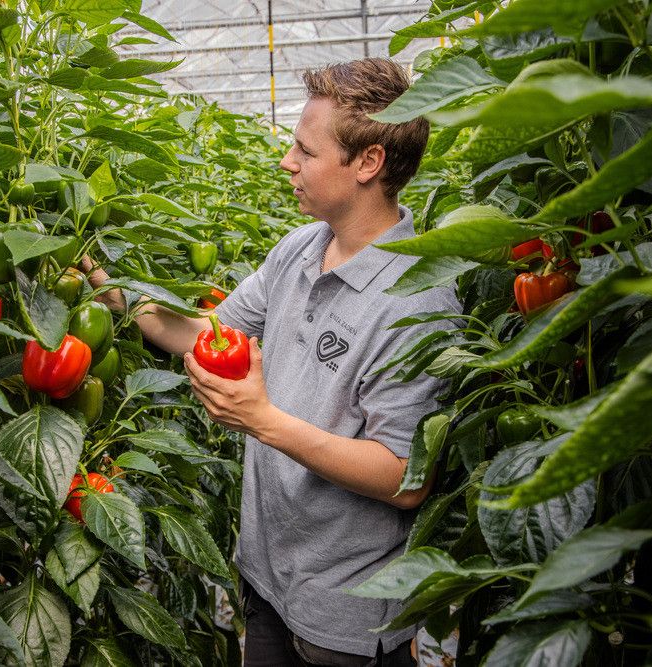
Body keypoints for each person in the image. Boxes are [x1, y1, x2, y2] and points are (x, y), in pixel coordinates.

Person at [83, 58, 460, 666]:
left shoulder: (417, 301)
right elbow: (208, 331)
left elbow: (405, 478)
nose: (288, 162)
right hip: (265, 580)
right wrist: (110, 289)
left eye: (305, 151)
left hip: (345, 615)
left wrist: (263, 420)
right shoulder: (300, 249)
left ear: (368, 164)